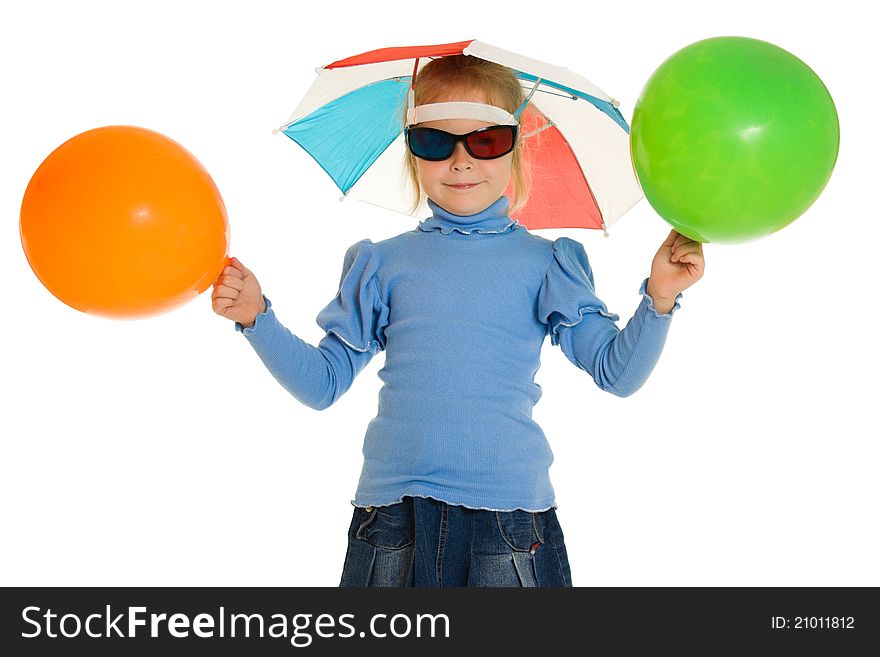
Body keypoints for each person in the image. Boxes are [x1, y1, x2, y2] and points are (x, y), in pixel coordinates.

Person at [211, 55, 705, 587]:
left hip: (506, 520)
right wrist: (255, 318)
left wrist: (659, 296)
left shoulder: (547, 263)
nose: (461, 160)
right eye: (434, 141)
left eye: (486, 140)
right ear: (411, 152)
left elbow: (618, 374)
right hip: (394, 520)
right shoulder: (381, 263)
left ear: (517, 149)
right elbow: (323, 384)